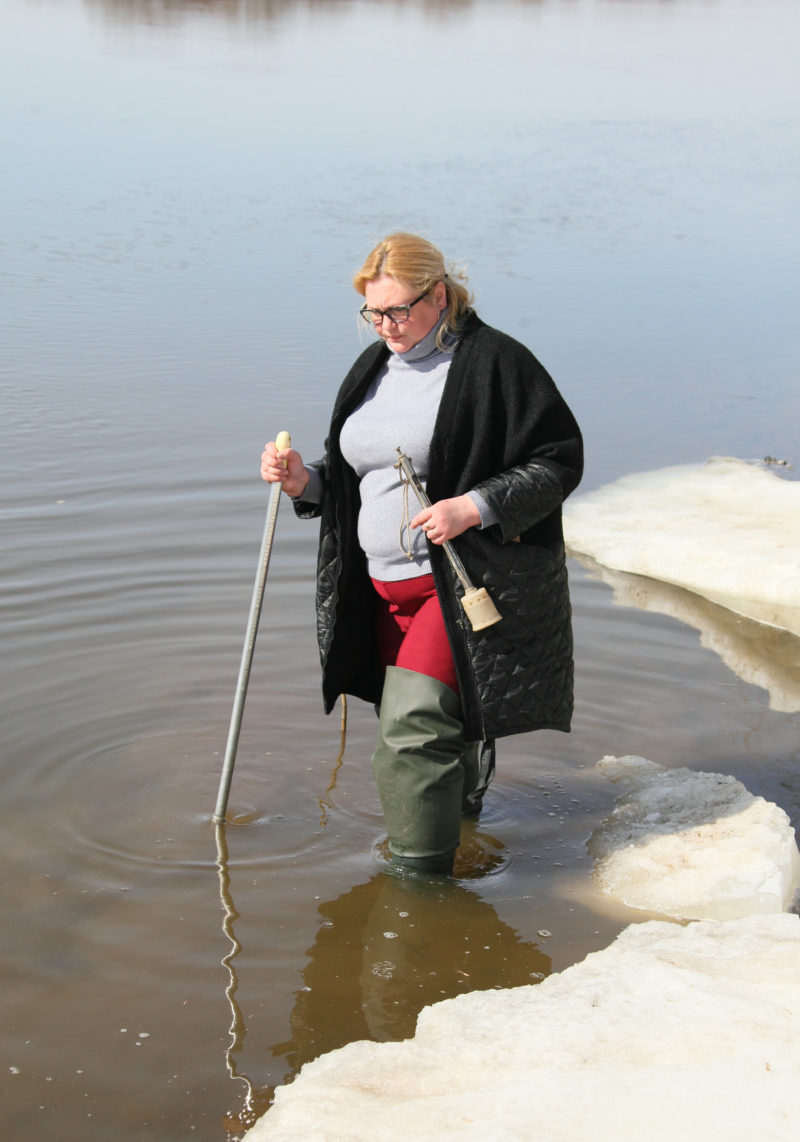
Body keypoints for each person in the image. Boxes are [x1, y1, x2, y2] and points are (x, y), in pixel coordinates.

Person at [261, 232, 583, 875]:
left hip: (463, 583)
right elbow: (361, 478)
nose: (385, 326)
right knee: (440, 728)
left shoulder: (496, 362)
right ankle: (463, 838)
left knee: (410, 731)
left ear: (439, 295)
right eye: (372, 314)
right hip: (381, 588)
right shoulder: (373, 368)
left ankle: (418, 891)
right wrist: (307, 482)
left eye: (398, 310)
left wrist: (475, 505)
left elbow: (558, 459)